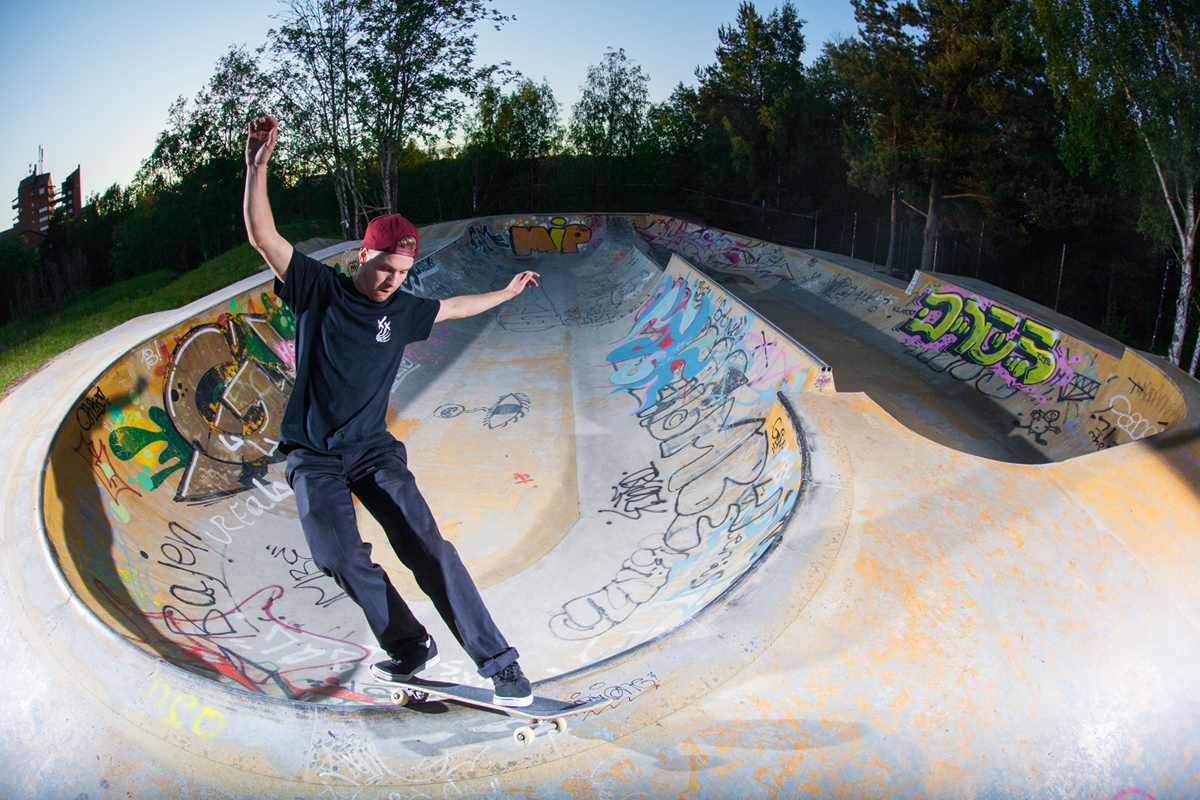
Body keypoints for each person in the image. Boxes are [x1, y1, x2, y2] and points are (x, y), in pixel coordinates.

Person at [243, 116, 539, 706]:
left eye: (401, 273)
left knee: (427, 547)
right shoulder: (317, 289)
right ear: (362, 254)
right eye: (382, 267)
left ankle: (498, 662)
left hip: (373, 451)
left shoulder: (402, 309)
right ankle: (409, 646)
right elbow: (264, 236)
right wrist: (256, 168)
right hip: (313, 456)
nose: (389, 281)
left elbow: (453, 306)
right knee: (337, 556)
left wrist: (505, 294)